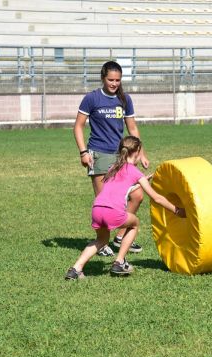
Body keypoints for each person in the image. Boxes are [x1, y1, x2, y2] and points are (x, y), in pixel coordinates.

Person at [65, 136, 185, 280]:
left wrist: (140, 182)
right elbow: (156, 197)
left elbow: (120, 186)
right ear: (137, 152)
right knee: (134, 224)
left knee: (101, 240)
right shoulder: (134, 171)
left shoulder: (112, 167)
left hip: (97, 209)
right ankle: (119, 262)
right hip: (112, 212)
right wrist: (177, 210)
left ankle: (76, 269)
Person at [74, 60, 149, 257]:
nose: (114, 83)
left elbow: (132, 128)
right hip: (98, 154)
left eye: (117, 80)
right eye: (110, 80)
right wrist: (83, 152)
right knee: (104, 201)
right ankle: (102, 242)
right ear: (102, 78)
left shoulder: (125, 99)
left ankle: (120, 236)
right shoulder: (92, 99)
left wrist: (141, 152)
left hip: (121, 156)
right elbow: (78, 127)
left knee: (137, 195)